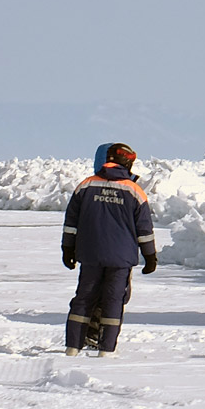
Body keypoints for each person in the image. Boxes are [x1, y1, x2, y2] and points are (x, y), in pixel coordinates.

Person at [62, 143, 156, 356]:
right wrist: (150, 256)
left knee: (84, 297)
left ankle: (72, 347)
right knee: (114, 300)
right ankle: (106, 349)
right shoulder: (134, 191)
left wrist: (67, 249)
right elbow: (145, 229)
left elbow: (71, 223)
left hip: (90, 254)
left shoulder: (86, 186)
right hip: (121, 259)